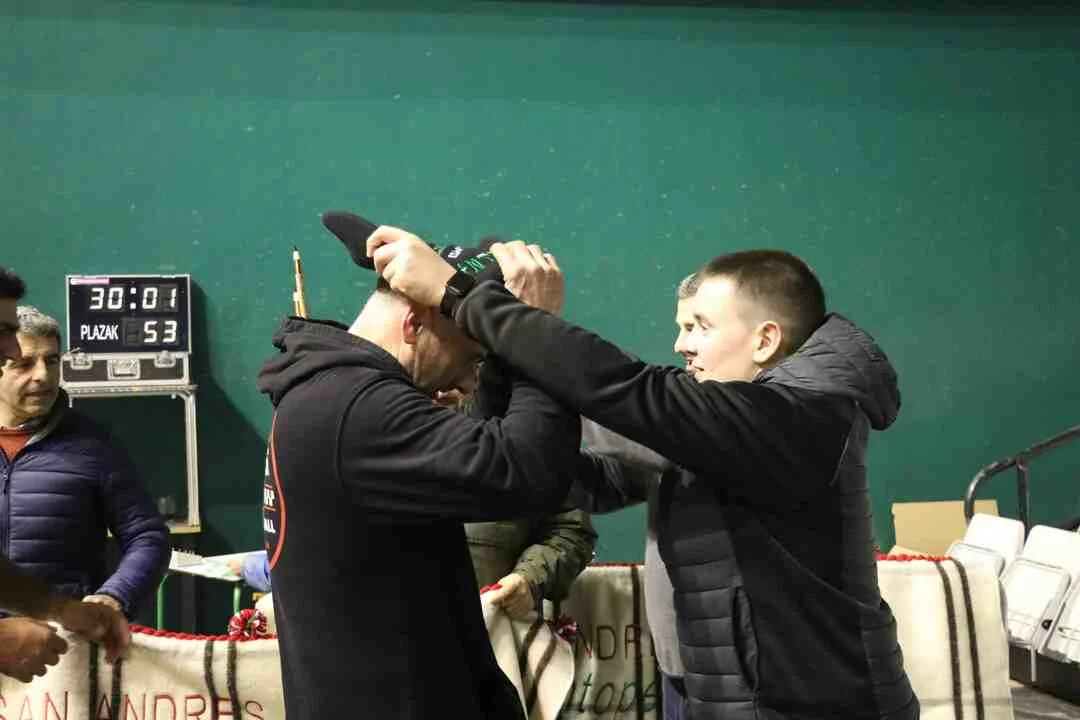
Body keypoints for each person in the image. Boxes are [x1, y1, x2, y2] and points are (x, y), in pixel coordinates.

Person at [368, 228, 919, 720]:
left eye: (700, 326)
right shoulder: (718, 429)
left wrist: (462, 297)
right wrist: (502, 395)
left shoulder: (797, 418)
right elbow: (585, 480)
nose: (682, 344)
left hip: (819, 705)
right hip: (724, 694)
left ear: (765, 340)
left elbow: (624, 387)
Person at [255, 213, 580, 719]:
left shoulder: (330, 391)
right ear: (415, 322)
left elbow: (489, 448)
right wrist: (536, 333)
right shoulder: (359, 409)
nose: (469, 385)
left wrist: (499, 347)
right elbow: (526, 472)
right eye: (471, 360)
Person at [0, 267, 130, 682]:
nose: (9, 348)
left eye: (52, 360)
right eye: (2, 331)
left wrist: (61, 609)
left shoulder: (95, 442)